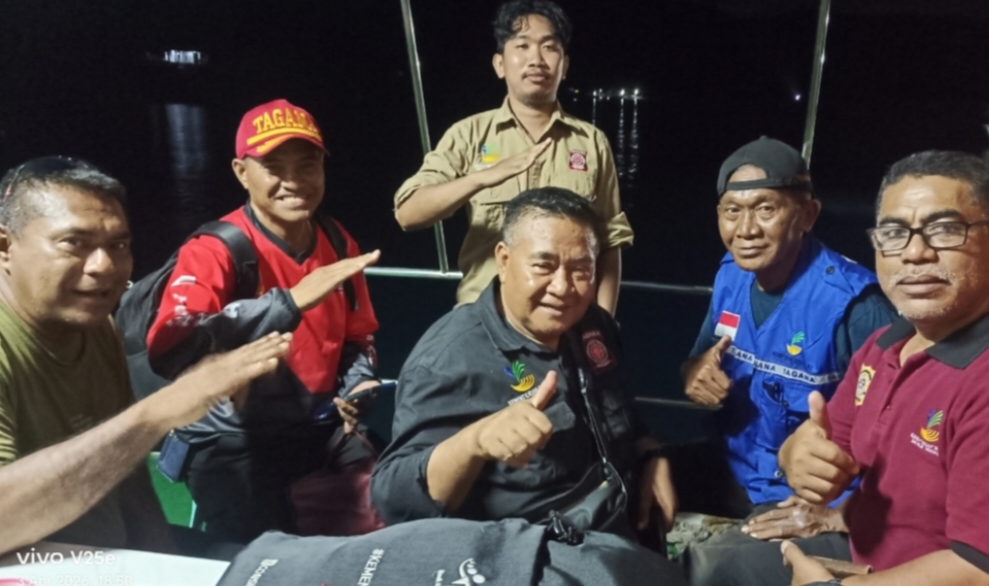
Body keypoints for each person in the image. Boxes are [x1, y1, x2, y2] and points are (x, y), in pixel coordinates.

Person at [779, 151, 989, 585]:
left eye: (945, 230)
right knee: (707, 568)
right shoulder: (886, 345)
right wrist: (796, 455)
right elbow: (828, 442)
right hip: (865, 557)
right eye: (894, 233)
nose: (915, 252)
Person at [0, 155, 291, 556]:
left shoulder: (97, 326)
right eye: (74, 243)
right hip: (33, 566)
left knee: (285, 560)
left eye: (118, 245)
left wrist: (162, 560)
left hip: (115, 557)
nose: (103, 266)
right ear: (5, 247)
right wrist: (160, 410)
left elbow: (126, 473)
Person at [372, 187, 674, 541]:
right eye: (543, 266)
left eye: (580, 269)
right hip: (536, 547)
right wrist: (473, 441)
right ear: (503, 261)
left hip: (619, 514)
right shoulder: (448, 359)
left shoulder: (594, 325)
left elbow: (623, 412)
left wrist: (651, 455)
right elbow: (392, 498)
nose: (562, 288)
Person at [145, 99, 382, 543]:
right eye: (273, 167)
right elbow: (169, 346)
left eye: (307, 164)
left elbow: (359, 336)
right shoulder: (216, 249)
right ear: (241, 172)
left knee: (391, 512)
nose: (293, 181)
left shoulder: (337, 240)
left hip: (317, 428)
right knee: (270, 557)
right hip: (233, 440)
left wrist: (357, 383)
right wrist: (288, 302)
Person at [671, 137, 896, 576]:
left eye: (765, 209)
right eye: (732, 211)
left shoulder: (855, 306)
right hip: (737, 467)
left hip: (809, 495)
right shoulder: (731, 275)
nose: (746, 229)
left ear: (807, 215)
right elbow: (695, 363)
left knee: (710, 567)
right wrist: (693, 374)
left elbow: (901, 436)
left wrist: (841, 512)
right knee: (632, 482)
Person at [393, 0, 633, 313]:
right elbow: (408, 214)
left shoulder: (591, 143)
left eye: (549, 47)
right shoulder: (469, 134)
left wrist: (603, 323)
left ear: (564, 66)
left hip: (564, 316)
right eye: (522, 46)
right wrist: (480, 178)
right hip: (484, 314)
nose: (536, 59)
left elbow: (610, 240)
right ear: (500, 65)